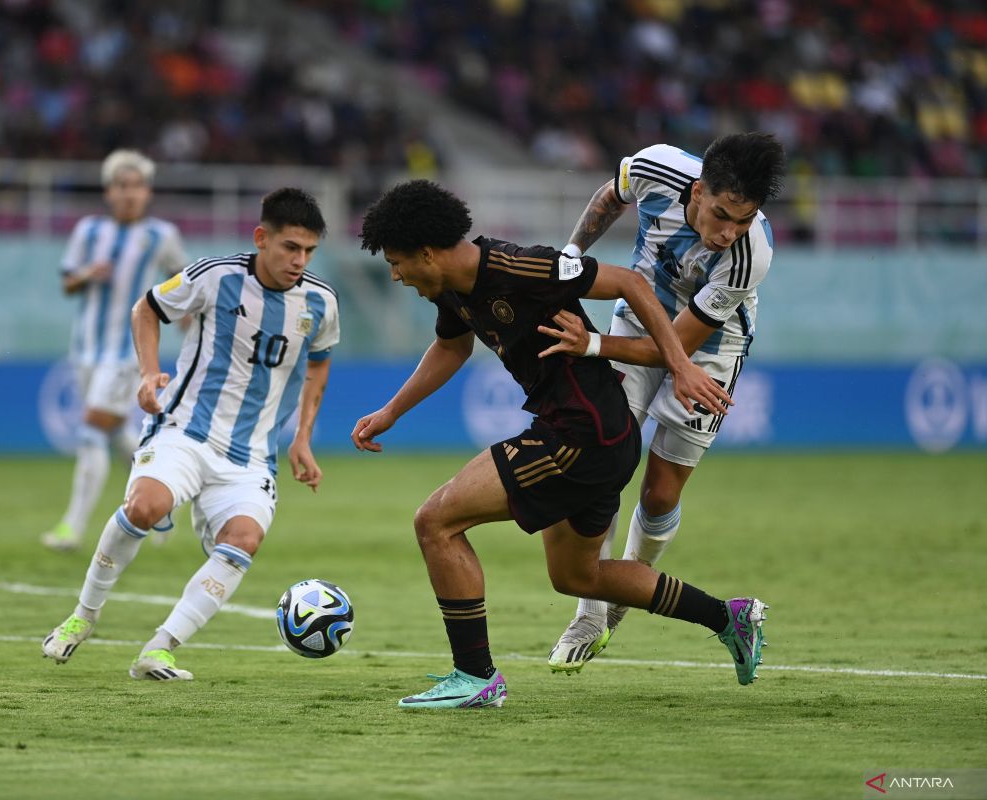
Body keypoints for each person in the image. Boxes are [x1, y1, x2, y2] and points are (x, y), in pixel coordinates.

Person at [353, 179, 765, 709]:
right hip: (599, 435)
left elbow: (628, 284)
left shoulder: (519, 267)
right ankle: (729, 618)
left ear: (427, 253)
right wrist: (391, 411)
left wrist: (680, 365)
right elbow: (451, 347)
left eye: (397, 262)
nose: (396, 275)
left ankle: (475, 677)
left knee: (435, 521)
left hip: (580, 434)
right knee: (576, 576)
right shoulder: (451, 288)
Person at [42, 188, 339, 681]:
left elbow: (319, 366)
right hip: (186, 429)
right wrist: (147, 373)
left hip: (251, 454)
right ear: (261, 238)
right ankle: (82, 617)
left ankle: (159, 649)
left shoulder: (321, 301)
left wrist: (302, 437)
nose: (299, 260)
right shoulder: (215, 275)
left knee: (244, 539)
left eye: (309, 251)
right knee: (145, 507)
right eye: (290, 247)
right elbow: (147, 308)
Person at [546, 132, 785, 672]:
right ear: (698, 190)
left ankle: (627, 586)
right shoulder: (656, 168)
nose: (729, 232)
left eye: (743, 220)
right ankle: (591, 611)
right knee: (600, 463)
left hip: (708, 353)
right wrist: (572, 252)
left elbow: (675, 346)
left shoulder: (753, 254)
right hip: (636, 318)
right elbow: (610, 196)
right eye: (722, 214)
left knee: (658, 494)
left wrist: (590, 344)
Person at [40, 149, 187, 551]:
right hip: (86, 349)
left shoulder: (162, 235)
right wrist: (89, 274)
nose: (130, 194)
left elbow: (184, 285)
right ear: (109, 191)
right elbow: (68, 283)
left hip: (128, 352)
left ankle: (72, 527)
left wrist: (192, 327)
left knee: (91, 429)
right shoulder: (88, 231)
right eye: (122, 186)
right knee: (117, 431)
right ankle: (160, 502)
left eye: (137, 186)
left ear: (148, 191)